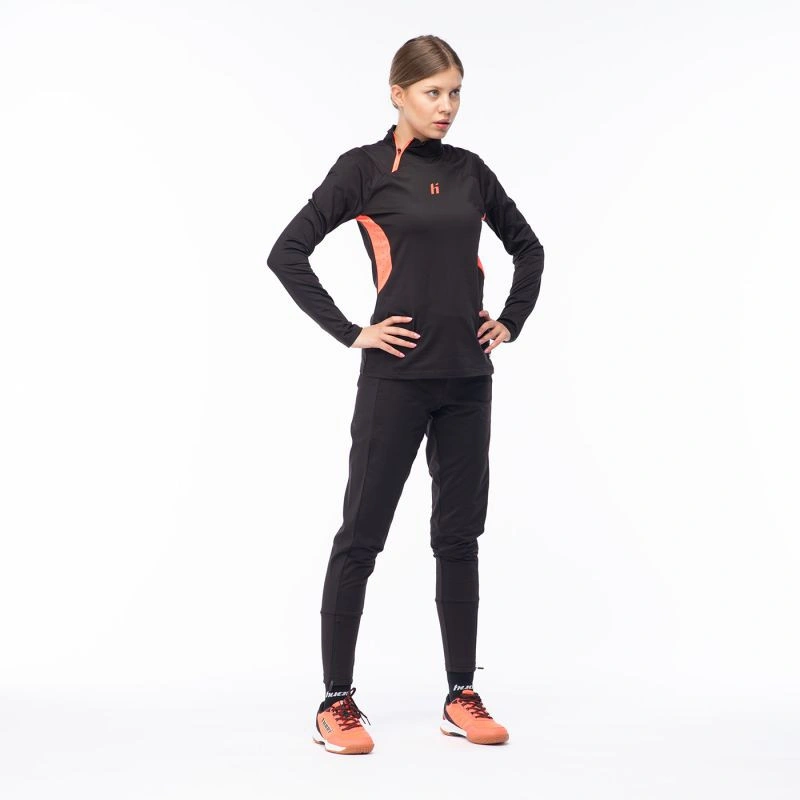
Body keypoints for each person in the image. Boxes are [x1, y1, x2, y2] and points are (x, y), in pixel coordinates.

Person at [267, 34, 544, 755]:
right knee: (361, 537)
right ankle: (335, 701)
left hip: (467, 381)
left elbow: (529, 247)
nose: (446, 106)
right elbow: (287, 252)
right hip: (395, 381)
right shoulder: (363, 170)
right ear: (398, 93)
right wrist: (351, 332)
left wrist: (509, 321)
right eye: (432, 92)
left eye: (455, 93)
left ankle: (460, 694)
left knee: (458, 538)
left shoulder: (471, 171)